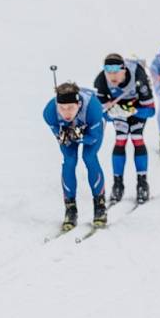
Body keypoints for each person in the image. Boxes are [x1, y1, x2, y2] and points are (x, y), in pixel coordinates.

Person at [43, 82, 107, 230]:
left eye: (70, 108)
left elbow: (94, 137)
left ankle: (100, 206)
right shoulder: (50, 112)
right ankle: (70, 209)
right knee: (70, 161)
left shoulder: (93, 108)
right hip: (73, 131)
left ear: (78, 104)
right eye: (62, 108)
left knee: (89, 157)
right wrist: (64, 136)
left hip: (90, 130)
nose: (66, 113)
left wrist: (79, 136)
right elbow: (59, 135)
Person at [93, 53, 155, 205]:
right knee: (120, 139)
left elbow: (151, 110)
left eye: (116, 72)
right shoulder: (101, 80)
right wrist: (111, 114)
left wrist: (133, 111)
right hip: (118, 110)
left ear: (124, 69)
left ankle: (142, 183)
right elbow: (99, 111)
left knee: (136, 138)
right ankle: (117, 184)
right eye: (109, 72)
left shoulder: (139, 77)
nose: (112, 76)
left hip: (138, 108)